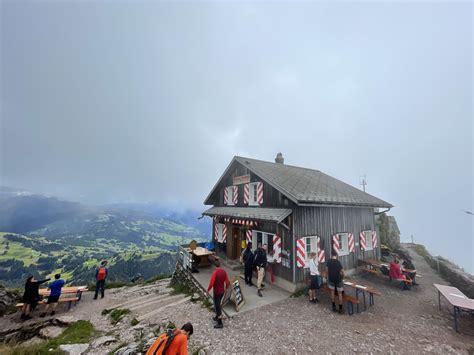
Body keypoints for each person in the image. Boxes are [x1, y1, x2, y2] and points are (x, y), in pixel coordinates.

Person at [207, 260, 230, 329]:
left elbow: (211, 283)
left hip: (216, 291)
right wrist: (226, 288)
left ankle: (220, 323)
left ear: (215, 266)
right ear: (220, 265)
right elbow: (227, 281)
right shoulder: (224, 272)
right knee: (218, 304)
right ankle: (217, 316)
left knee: (217, 306)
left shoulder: (215, 273)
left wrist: (208, 290)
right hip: (222, 291)